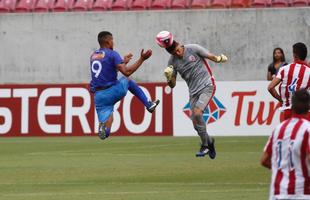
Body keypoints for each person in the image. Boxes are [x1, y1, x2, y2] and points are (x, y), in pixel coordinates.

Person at [155, 31, 227, 159]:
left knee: (198, 113)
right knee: (195, 123)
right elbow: (172, 85)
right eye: (174, 53)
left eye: (178, 50)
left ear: (180, 46)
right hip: (193, 92)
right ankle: (209, 142)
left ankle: (204, 145)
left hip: (207, 85)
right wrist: (168, 77)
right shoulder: (172, 62)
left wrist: (219, 59)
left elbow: (210, 56)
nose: (177, 54)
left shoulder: (193, 48)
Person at [90, 31, 160, 140]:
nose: (113, 43)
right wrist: (142, 59)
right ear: (108, 41)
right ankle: (148, 104)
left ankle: (103, 129)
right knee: (127, 79)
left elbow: (107, 72)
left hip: (99, 96)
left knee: (106, 129)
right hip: (112, 91)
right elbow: (126, 72)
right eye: (112, 40)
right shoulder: (112, 54)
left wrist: (123, 62)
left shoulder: (94, 56)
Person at [261, 88, 310, 200]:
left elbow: (264, 160)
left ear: (292, 106)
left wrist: (283, 170)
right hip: (302, 193)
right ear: (308, 107)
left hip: (278, 193)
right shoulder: (307, 129)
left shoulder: (278, 129)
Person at [268, 42, 310, 121]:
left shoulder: (284, 69)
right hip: (305, 113)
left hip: (288, 111)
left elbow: (270, 87)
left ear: (294, 55)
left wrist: (280, 99)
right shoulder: (308, 71)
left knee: (289, 132)